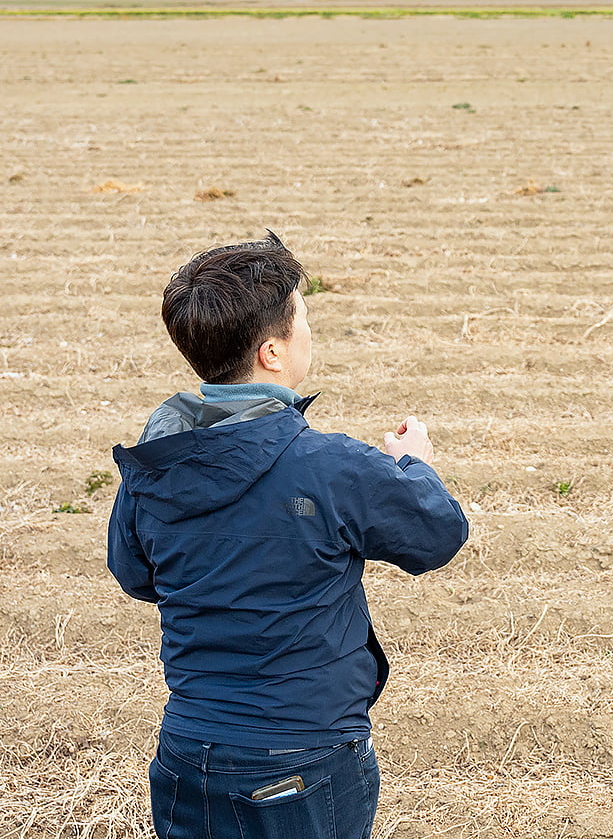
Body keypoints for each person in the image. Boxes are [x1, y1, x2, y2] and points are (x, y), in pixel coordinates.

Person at [108, 232, 469, 839]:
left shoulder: (156, 463)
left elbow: (134, 572)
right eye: (303, 316)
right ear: (272, 352)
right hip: (300, 762)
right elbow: (437, 534)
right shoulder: (327, 466)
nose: (309, 331)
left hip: (187, 753)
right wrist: (415, 465)